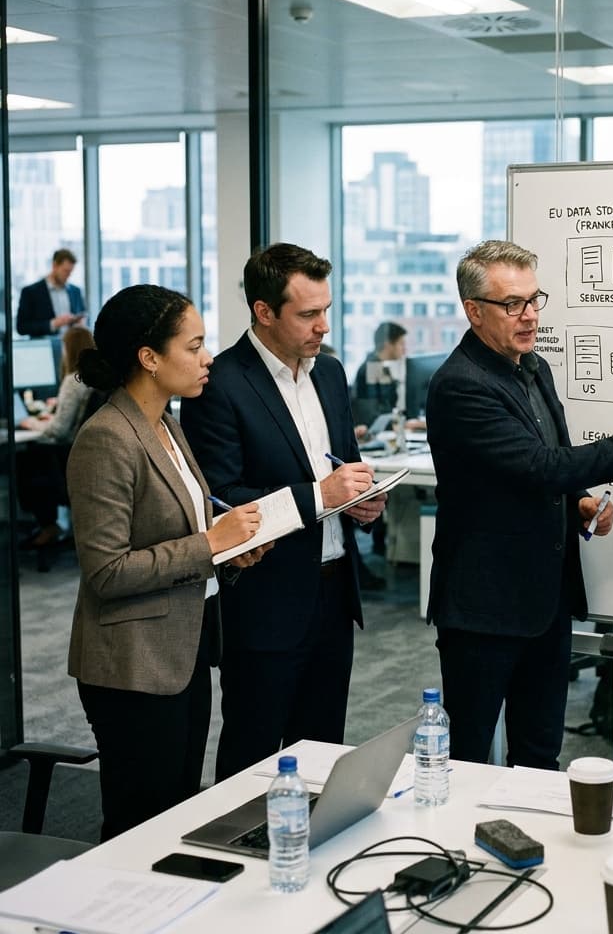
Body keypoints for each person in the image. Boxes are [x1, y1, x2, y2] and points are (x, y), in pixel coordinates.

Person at [426, 239, 613, 770]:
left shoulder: (534, 367)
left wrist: (578, 502)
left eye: (534, 299)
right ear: (474, 311)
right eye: (513, 304)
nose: (530, 315)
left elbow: (549, 461)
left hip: (545, 601)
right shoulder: (460, 385)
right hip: (485, 608)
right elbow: (539, 466)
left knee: (540, 753)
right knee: (466, 760)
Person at [180, 242, 386, 781]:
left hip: (334, 591)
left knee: (322, 752)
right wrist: (323, 496)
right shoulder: (219, 384)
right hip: (265, 600)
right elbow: (221, 497)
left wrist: (363, 501)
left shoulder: (330, 373)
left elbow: (345, 466)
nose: (323, 326)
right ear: (264, 311)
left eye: (327, 310)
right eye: (308, 314)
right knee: (251, 755)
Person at [66, 285, 266, 839]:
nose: (208, 358)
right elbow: (106, 572)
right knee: (139, 825)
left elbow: (181, 532)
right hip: (132, 666)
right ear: (149, 358)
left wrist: (231, 550)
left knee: (177, 812)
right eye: (194, 346)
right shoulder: (107, 438)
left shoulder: (166, 423)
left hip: (182, 649)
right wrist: (210, 544)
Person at [16, 326, 97, 550]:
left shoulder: (73, 380)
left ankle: (48, 527)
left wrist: (30, 423)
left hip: (65, 457)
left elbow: (59, 430)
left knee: (24, 460)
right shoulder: (91, 379)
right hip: (81, 455)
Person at [16, 248, 86, 337]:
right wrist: (53, 324)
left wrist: (80, 323)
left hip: (73, 344)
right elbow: (21, 327)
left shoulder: (76, 291)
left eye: (70, 272)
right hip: (44, 344)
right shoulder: (30, 292)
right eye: (65, 271)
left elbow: (82, 314)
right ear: (54, 266)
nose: (68, 276)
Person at [353, 321, 407, 425]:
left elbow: (387, 404)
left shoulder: (379, 366)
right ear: (388, 345)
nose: (404, 349)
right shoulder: (373, 368)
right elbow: (372, 416)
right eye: (401, 344)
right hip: (372, 431)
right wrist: (400, 424)